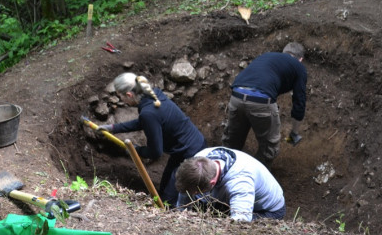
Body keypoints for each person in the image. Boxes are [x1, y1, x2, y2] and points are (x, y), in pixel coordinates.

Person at [99, 73, 206, 207]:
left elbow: (155, 152)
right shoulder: (154, 96)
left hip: (191, 153)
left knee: (169, 197)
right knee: (164, 188)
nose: (121, 100)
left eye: (121, 97)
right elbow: (147, 122)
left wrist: (136, 150)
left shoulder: (148, 112)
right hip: (186, 147)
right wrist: (113, 128)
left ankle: (175, 217)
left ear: (129, 95)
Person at [221, 42, 306, 167]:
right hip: (261, 101)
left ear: (283, 52)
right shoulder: (299, 67)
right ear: (301, 59)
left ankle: (224, 172)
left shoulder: (267, 57)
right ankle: (255, 179)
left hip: (236, 96)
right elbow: (299, 102)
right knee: (268, 150)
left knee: (231, 143)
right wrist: (294, 133)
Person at [175, 146, 285, 222]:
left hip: (266, 210)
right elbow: (186, 191)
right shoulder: (200, 159)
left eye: (195, 192)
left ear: (212, 183)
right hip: (227, 195)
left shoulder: (240, 184)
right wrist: (181, 213)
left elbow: (240, 224)